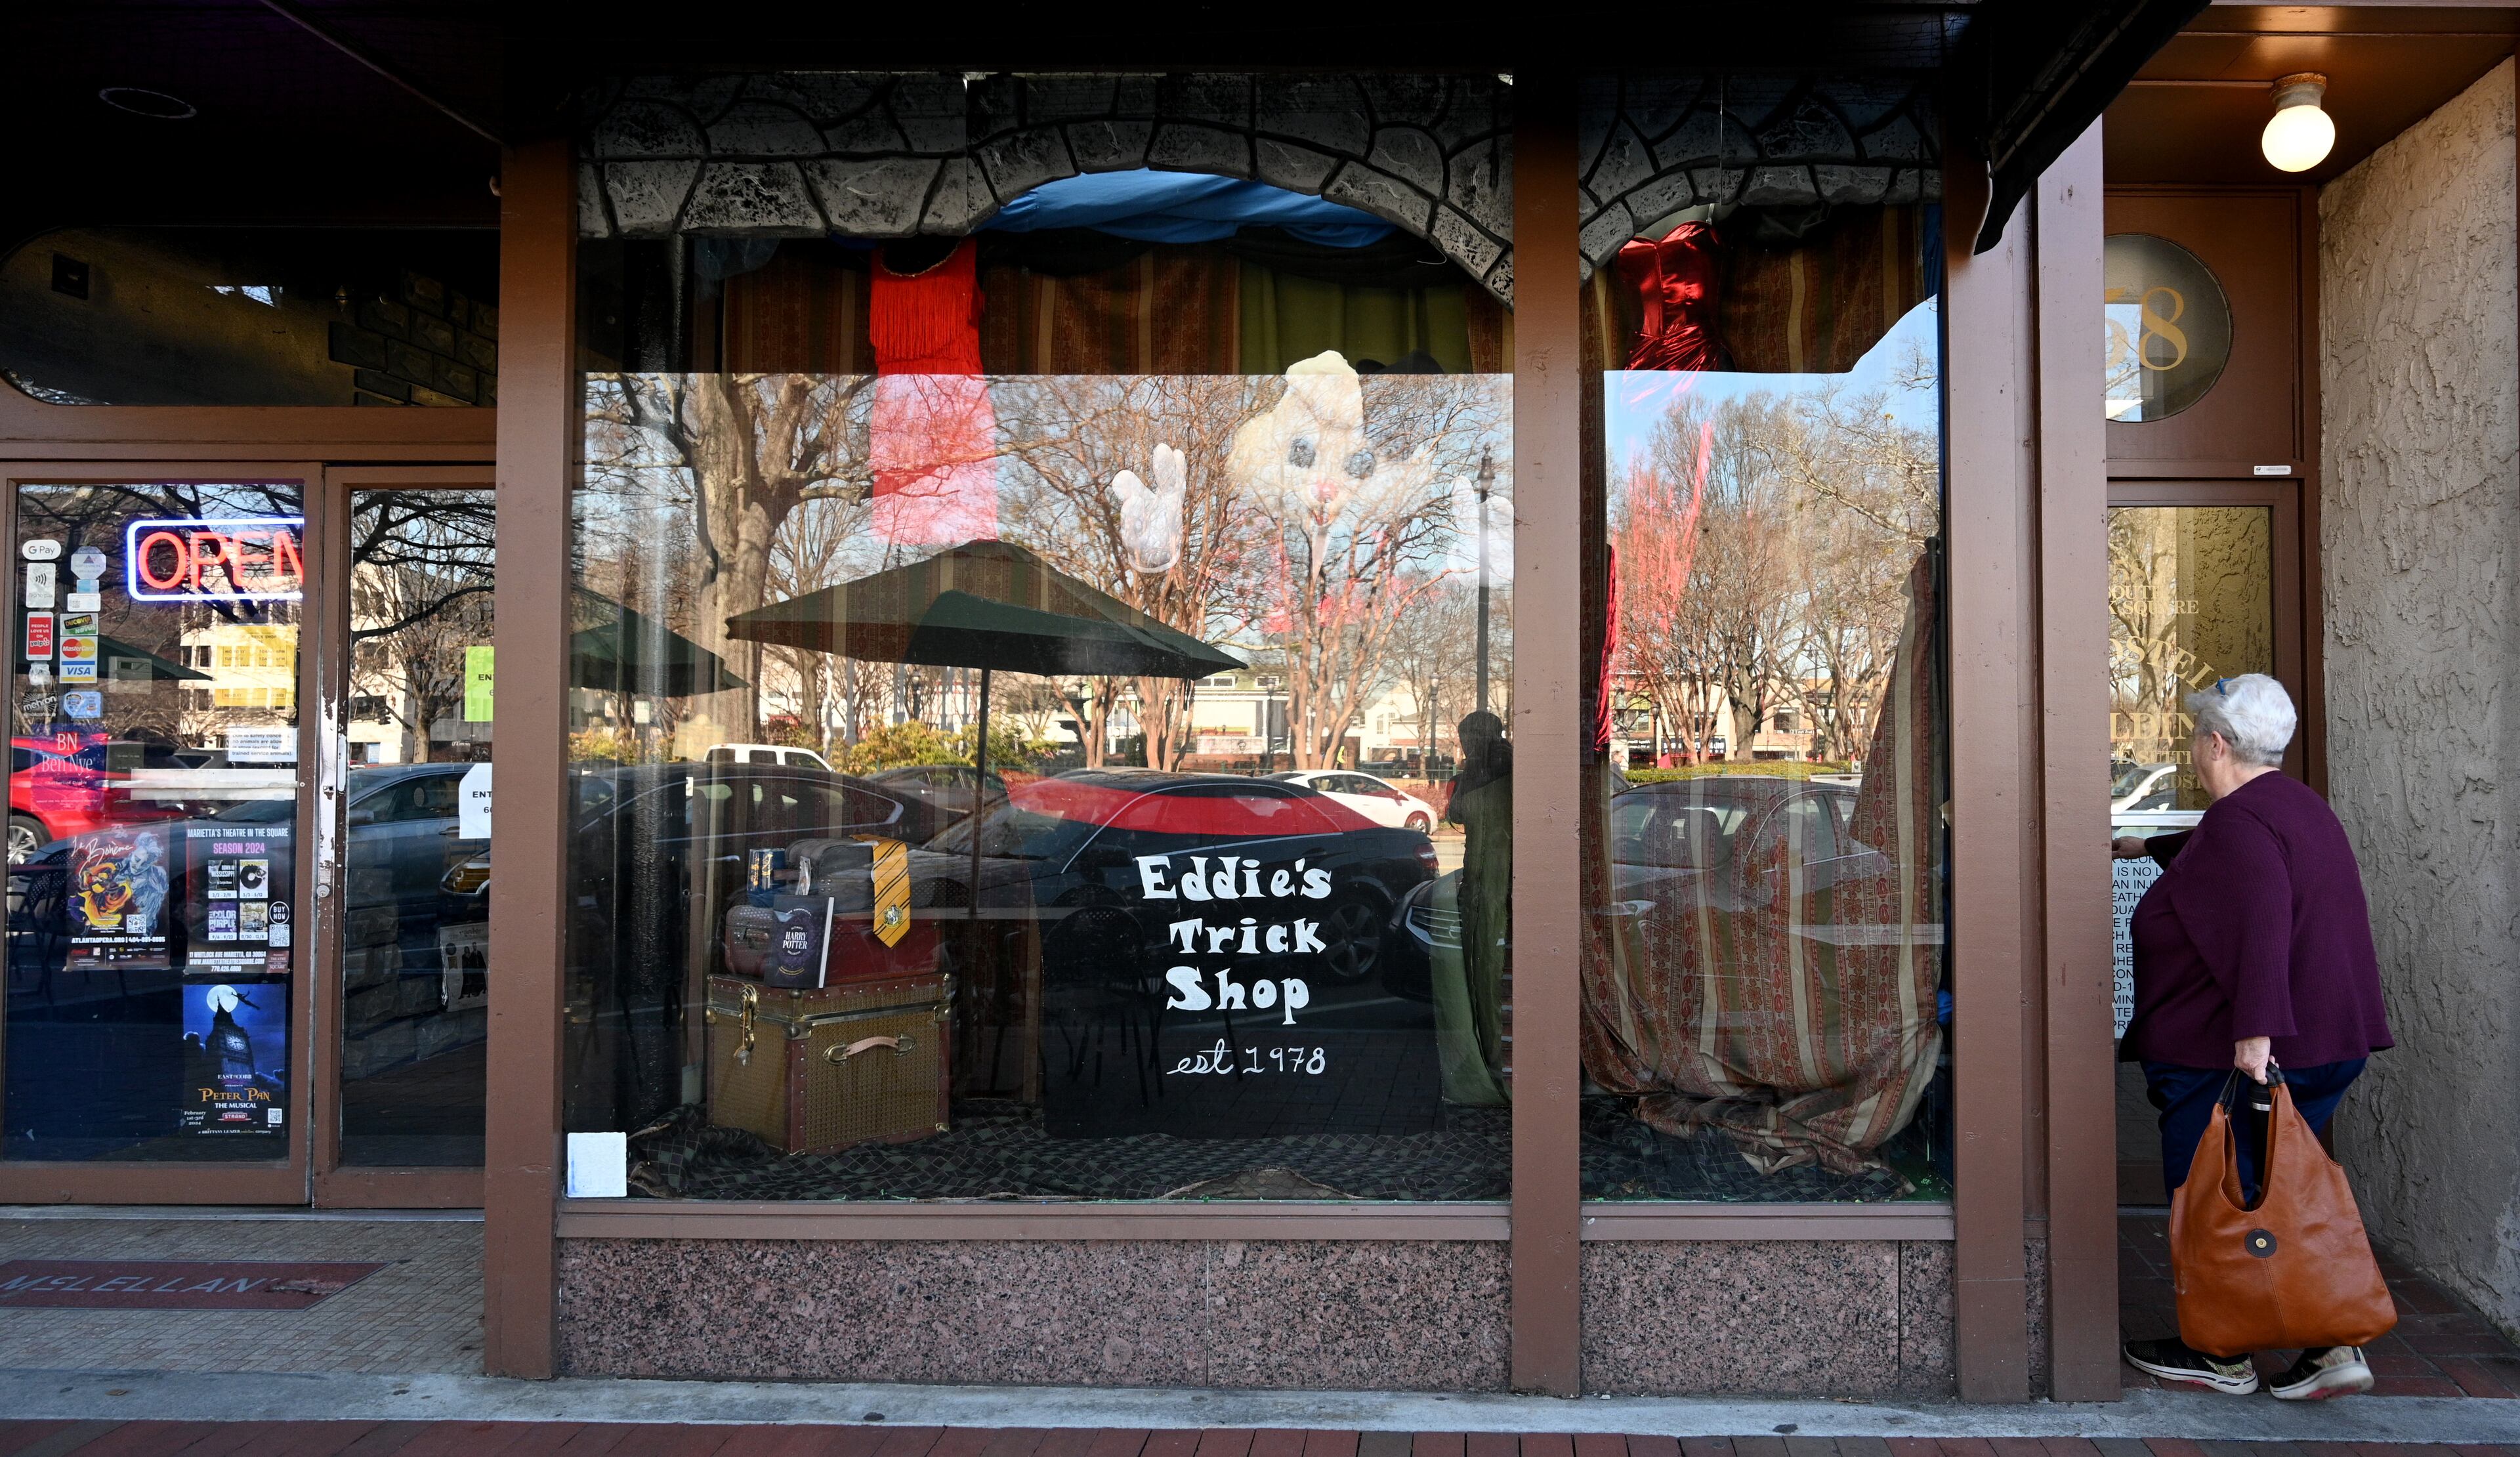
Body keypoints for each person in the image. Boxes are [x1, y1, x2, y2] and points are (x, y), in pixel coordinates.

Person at [2115, 674, 2394, 1401]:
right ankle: (2332, 1342)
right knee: (2277, 1197)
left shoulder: (2240, 823)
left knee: (2217, 1199)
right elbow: (2232, 862)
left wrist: (2253, 1037)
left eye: (2193, 741)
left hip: (2242, 1051)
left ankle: (2220, 1350)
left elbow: (2265, 913)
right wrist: (2146, 844)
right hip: (2330, 1037)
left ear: (2216, 743)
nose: (2192, 753)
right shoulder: (2291, 806)